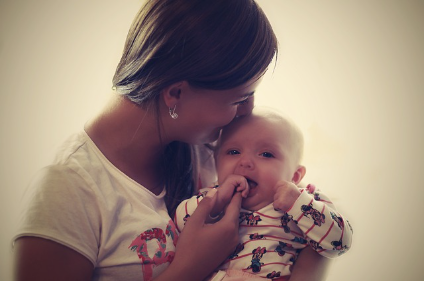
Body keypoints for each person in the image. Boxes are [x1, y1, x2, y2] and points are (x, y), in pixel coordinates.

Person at [12, 1, 330, 280]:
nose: (249, 111)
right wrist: (188, 270)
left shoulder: (213, 151)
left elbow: (310, 240)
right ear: (176, 93)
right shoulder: (68, 193)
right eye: (240, 98)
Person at [175, 108, 353, 280]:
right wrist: (218, 201)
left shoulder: (304, 199)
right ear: (216, 163)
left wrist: (298, 203)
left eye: (266, 154)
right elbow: (180, 223)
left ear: (294, 176)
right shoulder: (213, 195)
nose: (245, 162)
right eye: (233, 152)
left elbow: (340, 243)